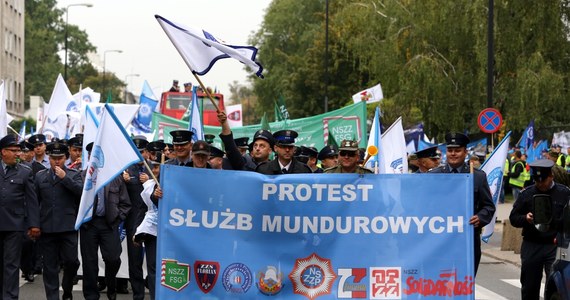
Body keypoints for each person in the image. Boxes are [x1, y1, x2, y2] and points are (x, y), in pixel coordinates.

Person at [429, 133, 495, 275]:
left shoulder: (477, 177)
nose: (453, 154)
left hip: (467, 242)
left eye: (457, 150)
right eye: (450, 150)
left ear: (465, 152)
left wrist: (480, 217)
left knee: (465, 285)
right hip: (440, 243)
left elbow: (489, 207)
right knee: (439, 286)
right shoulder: (434, 176)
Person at [509, 159, 570, 300]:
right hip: (532, 244)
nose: (540, 184)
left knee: (555, 285)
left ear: (551, 177)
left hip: (555, 245)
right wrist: (526, 218)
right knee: (529, 286)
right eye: (537, 181)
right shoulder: (527, 194)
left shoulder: (564, 193)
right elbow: (513, 218)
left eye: (543, 180)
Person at [80, 143, 131, 300]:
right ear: (89, 157)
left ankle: (111, 285)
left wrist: (117, 217)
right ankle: (91, 295)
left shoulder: (115, 177)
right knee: (89, 262)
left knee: (113, 258)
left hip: (109, 224)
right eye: (92, 156)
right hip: (89, 225)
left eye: (99, 156)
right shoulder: (81, 176)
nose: (95, 159)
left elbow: (126, 204)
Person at [35, 141, 83, 300]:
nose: (57, 161)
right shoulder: (40, 176)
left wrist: (64, 179)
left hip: (68, 227)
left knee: (72, 262)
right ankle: (52, 297)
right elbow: (35, 201)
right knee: (49, 267)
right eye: (54, 157)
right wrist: (35, 225)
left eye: (60, 158)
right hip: (47, 227)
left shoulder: (73, 174)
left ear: (66, 158)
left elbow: (82, 193)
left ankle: (67, 288)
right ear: (49, 157)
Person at [0, 134, 40, 299]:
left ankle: (10, 297)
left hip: (14, 226)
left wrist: (34, 225)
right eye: (13, 150)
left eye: (19, 151)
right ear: (3, 152)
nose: (18, 154)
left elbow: (32, 201)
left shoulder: (25, 171)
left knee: (11, 265)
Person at [120, 137, 153, 298]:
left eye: (142, 152)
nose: (140, 155)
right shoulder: (125, 170)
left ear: (147, 152)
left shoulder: (157, 168)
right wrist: (123, 181)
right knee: (135, 262)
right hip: (134, 222)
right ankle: (138, 295)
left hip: (154, 221)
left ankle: (155, 294)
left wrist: (151, 180)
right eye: (136, 152)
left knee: (153, 262)